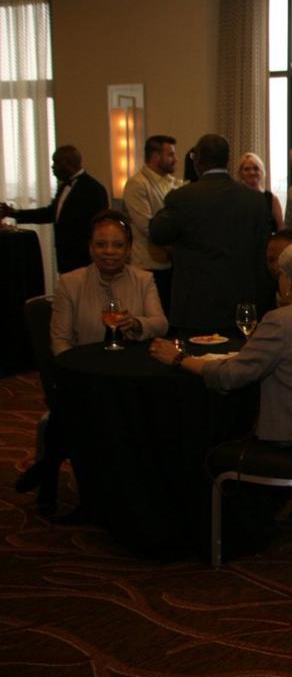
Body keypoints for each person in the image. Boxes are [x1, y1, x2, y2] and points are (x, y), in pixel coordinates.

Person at [15, 209, 168, 522]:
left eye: (116, 245)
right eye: (101, 245)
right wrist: (76, 373)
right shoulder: (70, 283)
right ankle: (93, 499)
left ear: (128, 249)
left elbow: (161, 324)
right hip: (81, 379)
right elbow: (59, 341)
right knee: (89, 407)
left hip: (129, 378)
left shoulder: (143, 279)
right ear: (90, 248)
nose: (109, 252)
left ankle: (51, 463)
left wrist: (137, 324)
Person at [148, 242, 292, 446]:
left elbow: (231, 376)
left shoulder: (281, 320)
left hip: (288, 436)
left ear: (290, 282)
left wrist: (179, 358)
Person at [149, 134, 275, 334]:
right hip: (241, 304)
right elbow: (262, 252)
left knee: (193, 361)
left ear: (197, 160)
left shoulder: (183, 197)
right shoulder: (254, 200)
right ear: (228, 160)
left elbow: (157, 233)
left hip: (195, 304)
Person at [0, 145, 109, 273]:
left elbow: (100, 224)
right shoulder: (64, 187)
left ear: (67, 163)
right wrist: (15, 213)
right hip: (65, 257)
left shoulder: (93, 189)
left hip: (84, 258)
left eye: (55, 162)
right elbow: (50, 214)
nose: (52, 167)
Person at [122, 134, 179, 311]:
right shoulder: (137, 184)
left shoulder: (172, 183)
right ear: (155, 157)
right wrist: (179, 250)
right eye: (170, 155)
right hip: (148, 266)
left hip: (169, 265)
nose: (175, 159)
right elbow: (147, 226)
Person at [237, 151, 284, 232]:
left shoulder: (272, 199)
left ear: (261, 172)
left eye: (256, 168)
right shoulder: (235, 197)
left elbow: (280, 228)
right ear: (240, 173)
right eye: (247, 169)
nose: (252, 172)